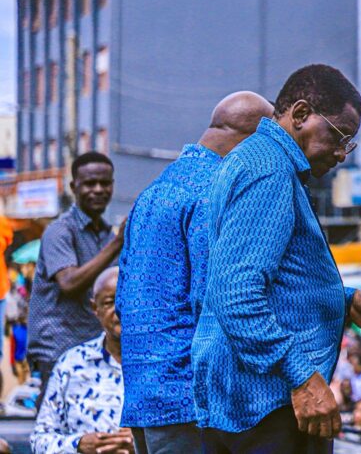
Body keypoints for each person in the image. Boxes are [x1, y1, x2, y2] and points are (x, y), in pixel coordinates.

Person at [191, 64, 361, 453]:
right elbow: (237, 294)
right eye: (339, 136)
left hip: (247, 401)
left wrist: (344, 301)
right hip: (266, 406)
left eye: (349, 144)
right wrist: (303, 378)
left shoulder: (257, 160)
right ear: (302, 114)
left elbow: (269, 283)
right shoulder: (268, 170)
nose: (341, 153)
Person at [117, 92, 273, 453]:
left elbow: (123, 295)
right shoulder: (215, 189)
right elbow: (213, 297)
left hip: (143, 392)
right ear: (251, 142)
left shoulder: (154, 189)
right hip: (188, 398)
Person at [28, 151, 122, 398]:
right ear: (74, 187)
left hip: (91, 348)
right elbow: (69, 283)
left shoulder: (107, 235)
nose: (98, 190)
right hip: (56, 350)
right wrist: (117, 244)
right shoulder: (59, 231)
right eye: (90, 183)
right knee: (55, 419)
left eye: (105, 183)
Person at [31, 268, 134, 454]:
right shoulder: (71, 364)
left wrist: (144, 443)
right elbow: (40, 439)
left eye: (128, 300)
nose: (119, 310)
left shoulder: (164, 363)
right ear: (95, 308)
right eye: (110, 302)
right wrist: (79, 445)